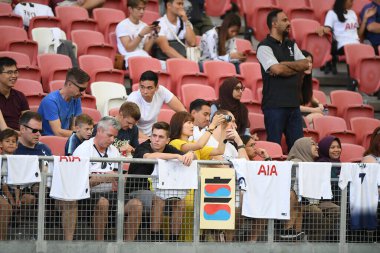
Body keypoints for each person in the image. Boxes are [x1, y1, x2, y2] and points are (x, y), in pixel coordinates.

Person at [72, 116, 143, 241]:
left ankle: (127, 246)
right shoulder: (83, 150)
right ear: (99, 131)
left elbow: (116, 174)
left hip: (111, 194)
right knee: (103, 202)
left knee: (136, 204)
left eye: (114, 137)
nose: (112, 140)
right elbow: (78, 184)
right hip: (87, 195)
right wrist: (105, 178)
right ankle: (100, 244)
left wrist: (121, 179)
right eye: (109, 135)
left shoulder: (113, 150)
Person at [126, 121, 194, 242]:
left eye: (161, 137)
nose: (156, 139)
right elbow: (149, 157)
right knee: (158, 200)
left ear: (167, 140)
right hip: (136, 190)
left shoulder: (169, 149)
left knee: (180, 203)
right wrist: (177, 156)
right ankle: (155, 238)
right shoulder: (144, 147)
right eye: (154, 135)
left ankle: (173, 241)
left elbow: (189, 156)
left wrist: (191, 154)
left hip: (162, 190)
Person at [257, 9, 310, 151]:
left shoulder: (291, 44)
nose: (289, 23)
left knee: (298, 149)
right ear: (274, 24)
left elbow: (305, 64)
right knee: (274, 147)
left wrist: (283, 63)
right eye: (284, 20)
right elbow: (277, 70)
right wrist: (293, 67)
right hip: (274, 105)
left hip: (293, 105)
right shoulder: (264, 46)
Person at [316, 0, 376, 74]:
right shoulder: (332, 13)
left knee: (369, 52)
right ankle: (354, 78)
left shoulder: (352, 13)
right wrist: (322, 29)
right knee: (357, 52)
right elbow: (327, 28)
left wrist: (365, 19)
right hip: (342, 45)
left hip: (356, 45)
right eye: (350, 1)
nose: (352, 3)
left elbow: (358, 35)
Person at [127, 70, 186, 138]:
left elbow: (182, 111)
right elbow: (130, 128)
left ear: (157, 87)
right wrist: (150, 140)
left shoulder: (161, 91)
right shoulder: (133, 99)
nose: (145, 91)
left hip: (154, 136)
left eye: (149, 88)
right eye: (142, 87)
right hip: (136, 137)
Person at [38, 67, 90, 137]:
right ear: (69, 84)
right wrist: (80, 134)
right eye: (81, 89)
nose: (83, 93)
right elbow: (58, 132)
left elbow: (75, 127)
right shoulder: (50, 101)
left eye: (84, 89)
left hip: (66, 139)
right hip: (49, 141)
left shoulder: (76, 98)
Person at [284, 137, 319, 240]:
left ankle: (296, 233)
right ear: (303, 147)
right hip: (292, 199)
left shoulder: (310, 163)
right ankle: (290, 230)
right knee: (298, 199)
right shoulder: (295, 162)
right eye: (312, 144)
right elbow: (290, 188)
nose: (317, 147)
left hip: (305, 200)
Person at [116, 0, 160, 69]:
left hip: (144, 56)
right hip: (130, 59)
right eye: (139, 9)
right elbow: (129, 48)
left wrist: (154, 34)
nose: (142, 12)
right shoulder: (122, 25)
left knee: (165, 66)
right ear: (130, 9)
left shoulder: (143, 25)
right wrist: (141, 34)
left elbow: (146, 49)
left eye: (143, 9)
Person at [316, 135, 342, 241]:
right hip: (322, 200)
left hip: (337, 199)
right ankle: (319, 240)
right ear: (325, 149)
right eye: (332, 147)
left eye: (338, 147)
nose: (336, 150)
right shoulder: (322, 163)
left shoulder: (338, 163)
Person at [0, 57, 29, 131]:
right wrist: (24, 135)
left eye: (15, 72)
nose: (14, 76)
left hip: (19, 137)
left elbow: (28, 122)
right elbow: (4, 130)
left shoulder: (20, 96)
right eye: (9, 72)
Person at [298, 50, 324, 127]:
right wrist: (315, 110)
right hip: (291, 117)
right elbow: (294, 106)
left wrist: (320, 105)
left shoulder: (305, 81)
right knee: (319, 117)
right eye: (306, 62)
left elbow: (312, 98)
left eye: (311, 62)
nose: (309, 65)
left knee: (318, 121)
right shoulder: (292, 81)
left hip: (301, 116)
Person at [0, 129, 18, 240]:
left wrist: (16, 197)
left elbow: (18, 182)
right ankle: (2, 241)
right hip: (2, 190)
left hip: (15, 190)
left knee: (29, 199)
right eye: (7, 141)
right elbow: (3, 183)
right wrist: (11, 199)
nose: (11, 143)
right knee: (6, 207)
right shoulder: (1, 159)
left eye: (13, 141)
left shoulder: (19, 160)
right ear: (0, 144)